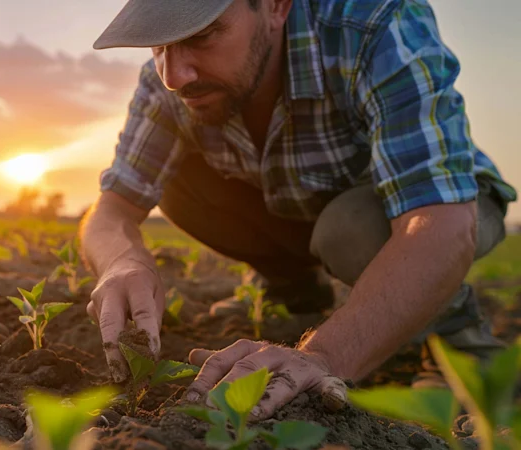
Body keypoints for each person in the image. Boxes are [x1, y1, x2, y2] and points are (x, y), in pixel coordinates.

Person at [79, 0, 517, 419]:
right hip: (301, 200)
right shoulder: (170, 81)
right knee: (175, 183)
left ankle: (459, 347)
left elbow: (439, 221)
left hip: (440, 201)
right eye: (159, 44)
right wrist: (122, 261)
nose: (173, 75)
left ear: (276, 6)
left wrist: (324, 355)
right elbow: (113, 208)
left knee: (350, 231)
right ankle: (295, 292)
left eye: (203, 34)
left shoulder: (372, 25)